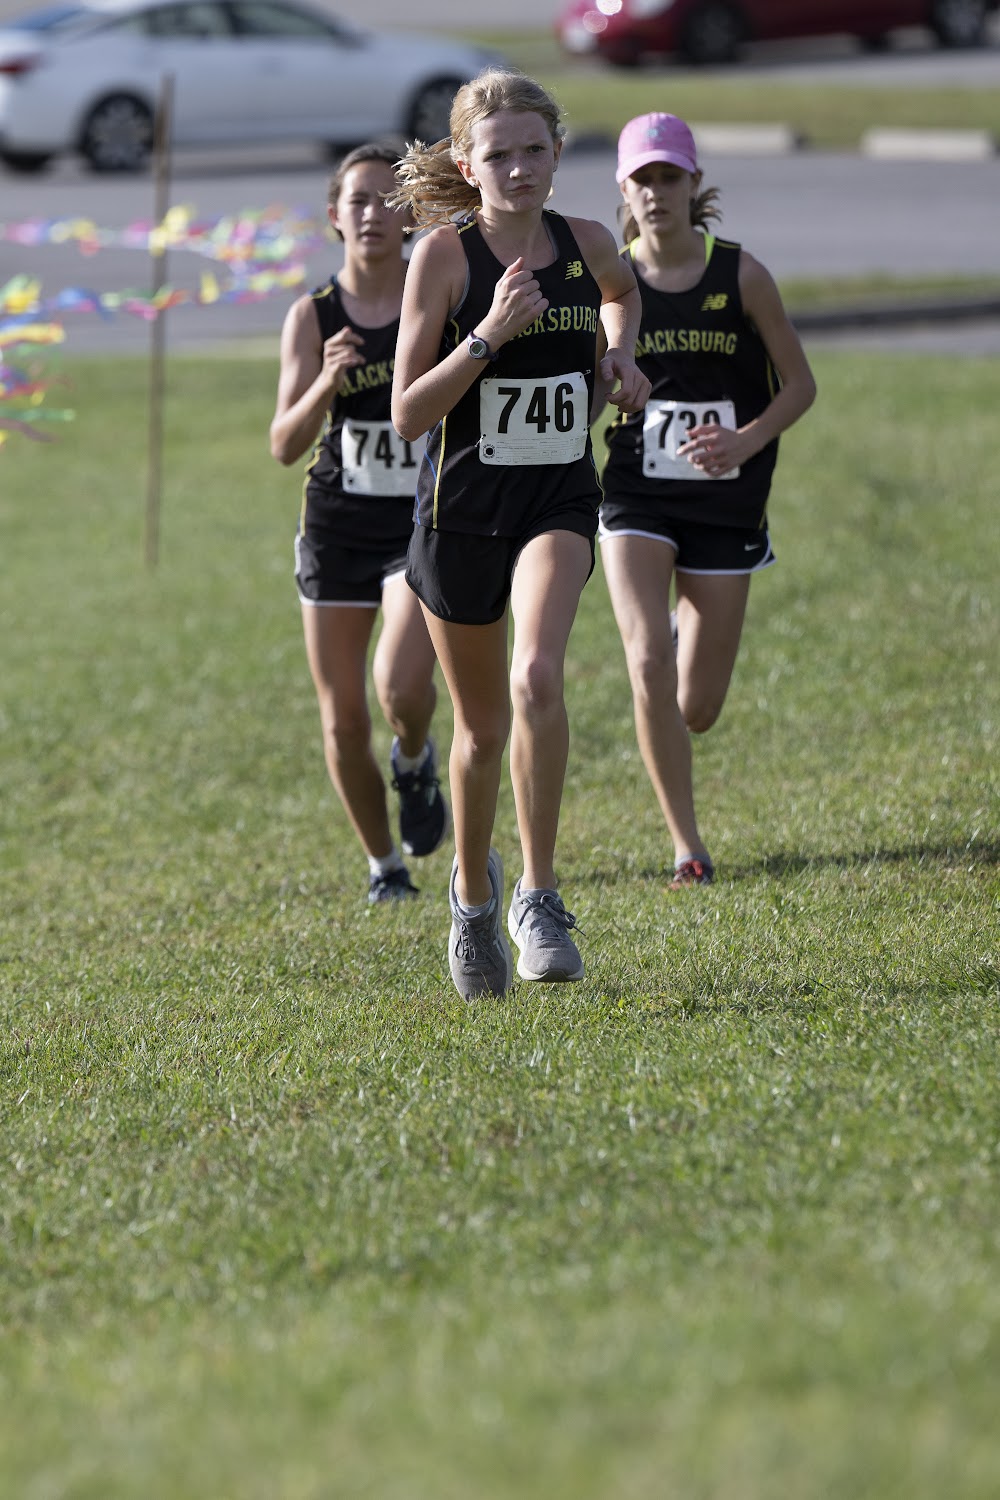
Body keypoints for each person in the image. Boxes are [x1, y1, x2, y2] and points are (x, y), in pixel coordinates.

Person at [390, 68, 650, 999]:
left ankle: (537, 894)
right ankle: (472, 898)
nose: (519, 168)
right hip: (460, 513)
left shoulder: (586, 243)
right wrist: (488, 335)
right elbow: (409, 413)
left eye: (535, 149)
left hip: (556, 499)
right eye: (498, 154)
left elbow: (622, 293)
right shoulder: (444, 260)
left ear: (557, 153)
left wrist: (618, 355)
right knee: (480, 730)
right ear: (468, 164)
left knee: (537, 675)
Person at [598, 112, 816, 889]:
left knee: (697, 706)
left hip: (726, 501)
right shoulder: (610, 284)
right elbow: (588, 385)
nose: (657, 193)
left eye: (670, 177)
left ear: (695, 185)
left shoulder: (742, 275)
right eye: (643, 179)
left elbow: (800, 386)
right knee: (646, 663)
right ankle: (686, 845)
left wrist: (745, 442)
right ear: (623, 189)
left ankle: (676, 640)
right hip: (636, 495)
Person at [269, 143, 448, 906]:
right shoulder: (313, 316)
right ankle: (385, 867)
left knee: (401, 686)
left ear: (412, 215)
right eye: (359, 200)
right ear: (335, 217)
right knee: (343, 722)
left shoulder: (437, 294)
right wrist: (326, 382)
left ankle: (414, 757)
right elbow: (284, 444)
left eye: (388, 200)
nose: (374, 213)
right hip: (337, 529)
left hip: (418, 524)